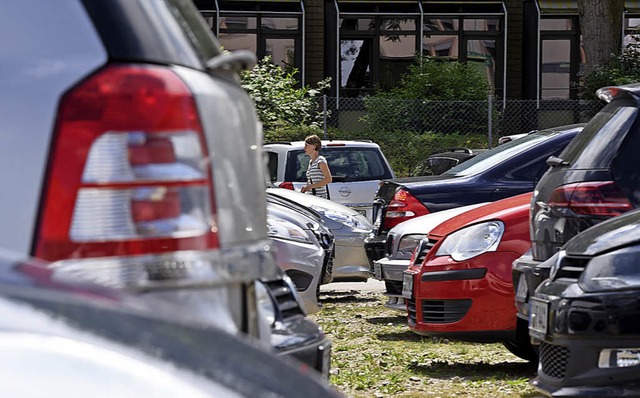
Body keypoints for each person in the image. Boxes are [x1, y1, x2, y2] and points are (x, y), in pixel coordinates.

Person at [300, 135, 332, 199]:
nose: (304, 148)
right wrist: (306, 188)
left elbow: (328, 179)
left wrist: (310, 186)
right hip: (312, 197)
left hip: (320, 198)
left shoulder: (320, 160)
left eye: (306, 145)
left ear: (314, 146)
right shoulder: (311, 162)